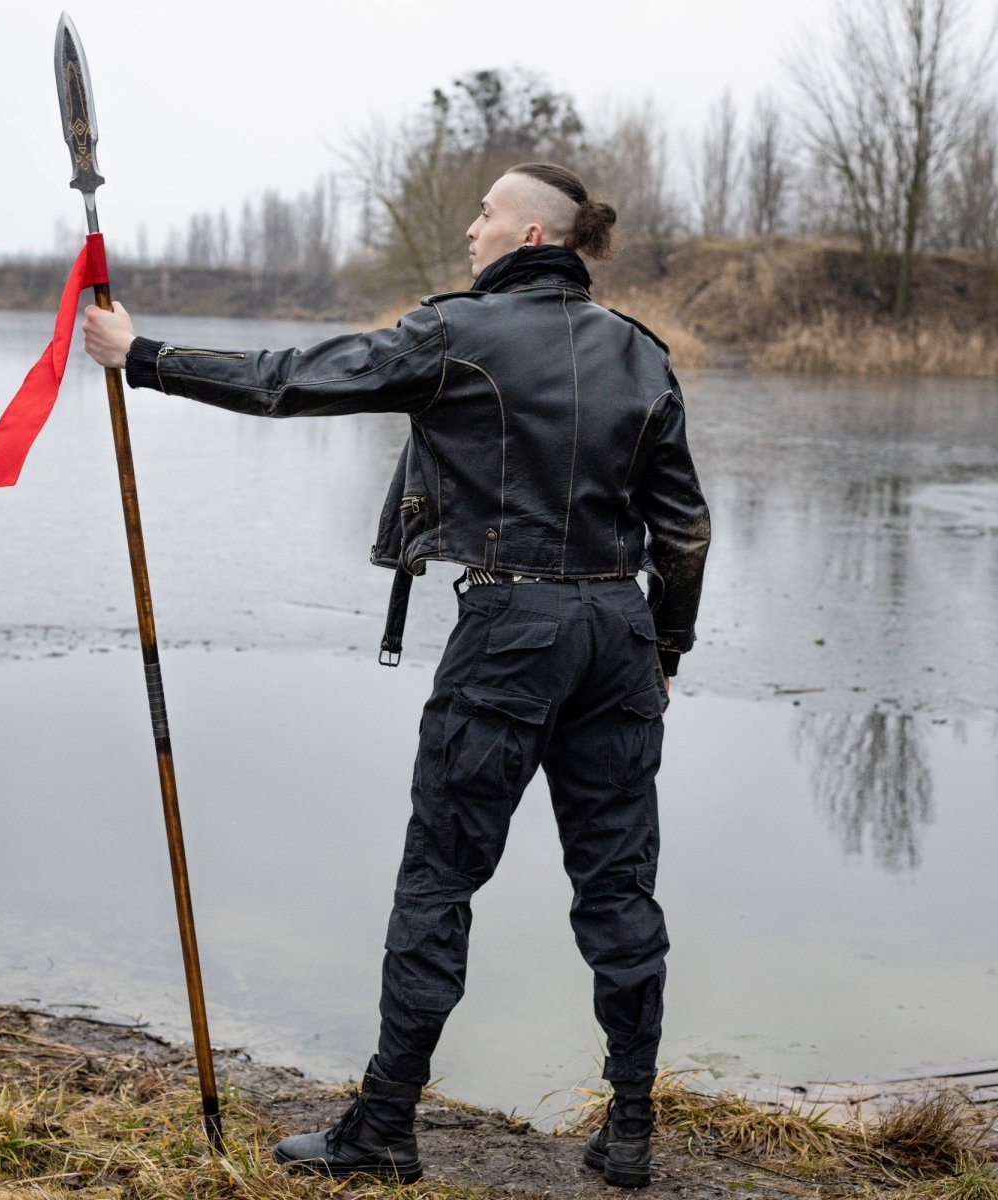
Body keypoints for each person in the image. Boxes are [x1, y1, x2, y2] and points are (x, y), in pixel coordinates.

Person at [83, 161, 710, 1190]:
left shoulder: (456, 334)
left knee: (439, 879)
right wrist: (666, 651)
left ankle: (383, 1128)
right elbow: (682, 528)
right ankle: (631, 1129)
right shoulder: (642, 356)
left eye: (487, 213)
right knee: (618, 883)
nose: (471, 228)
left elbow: (294, 380)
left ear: (534, 238)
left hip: (512, 629)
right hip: (618, 631)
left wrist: (143, 356)